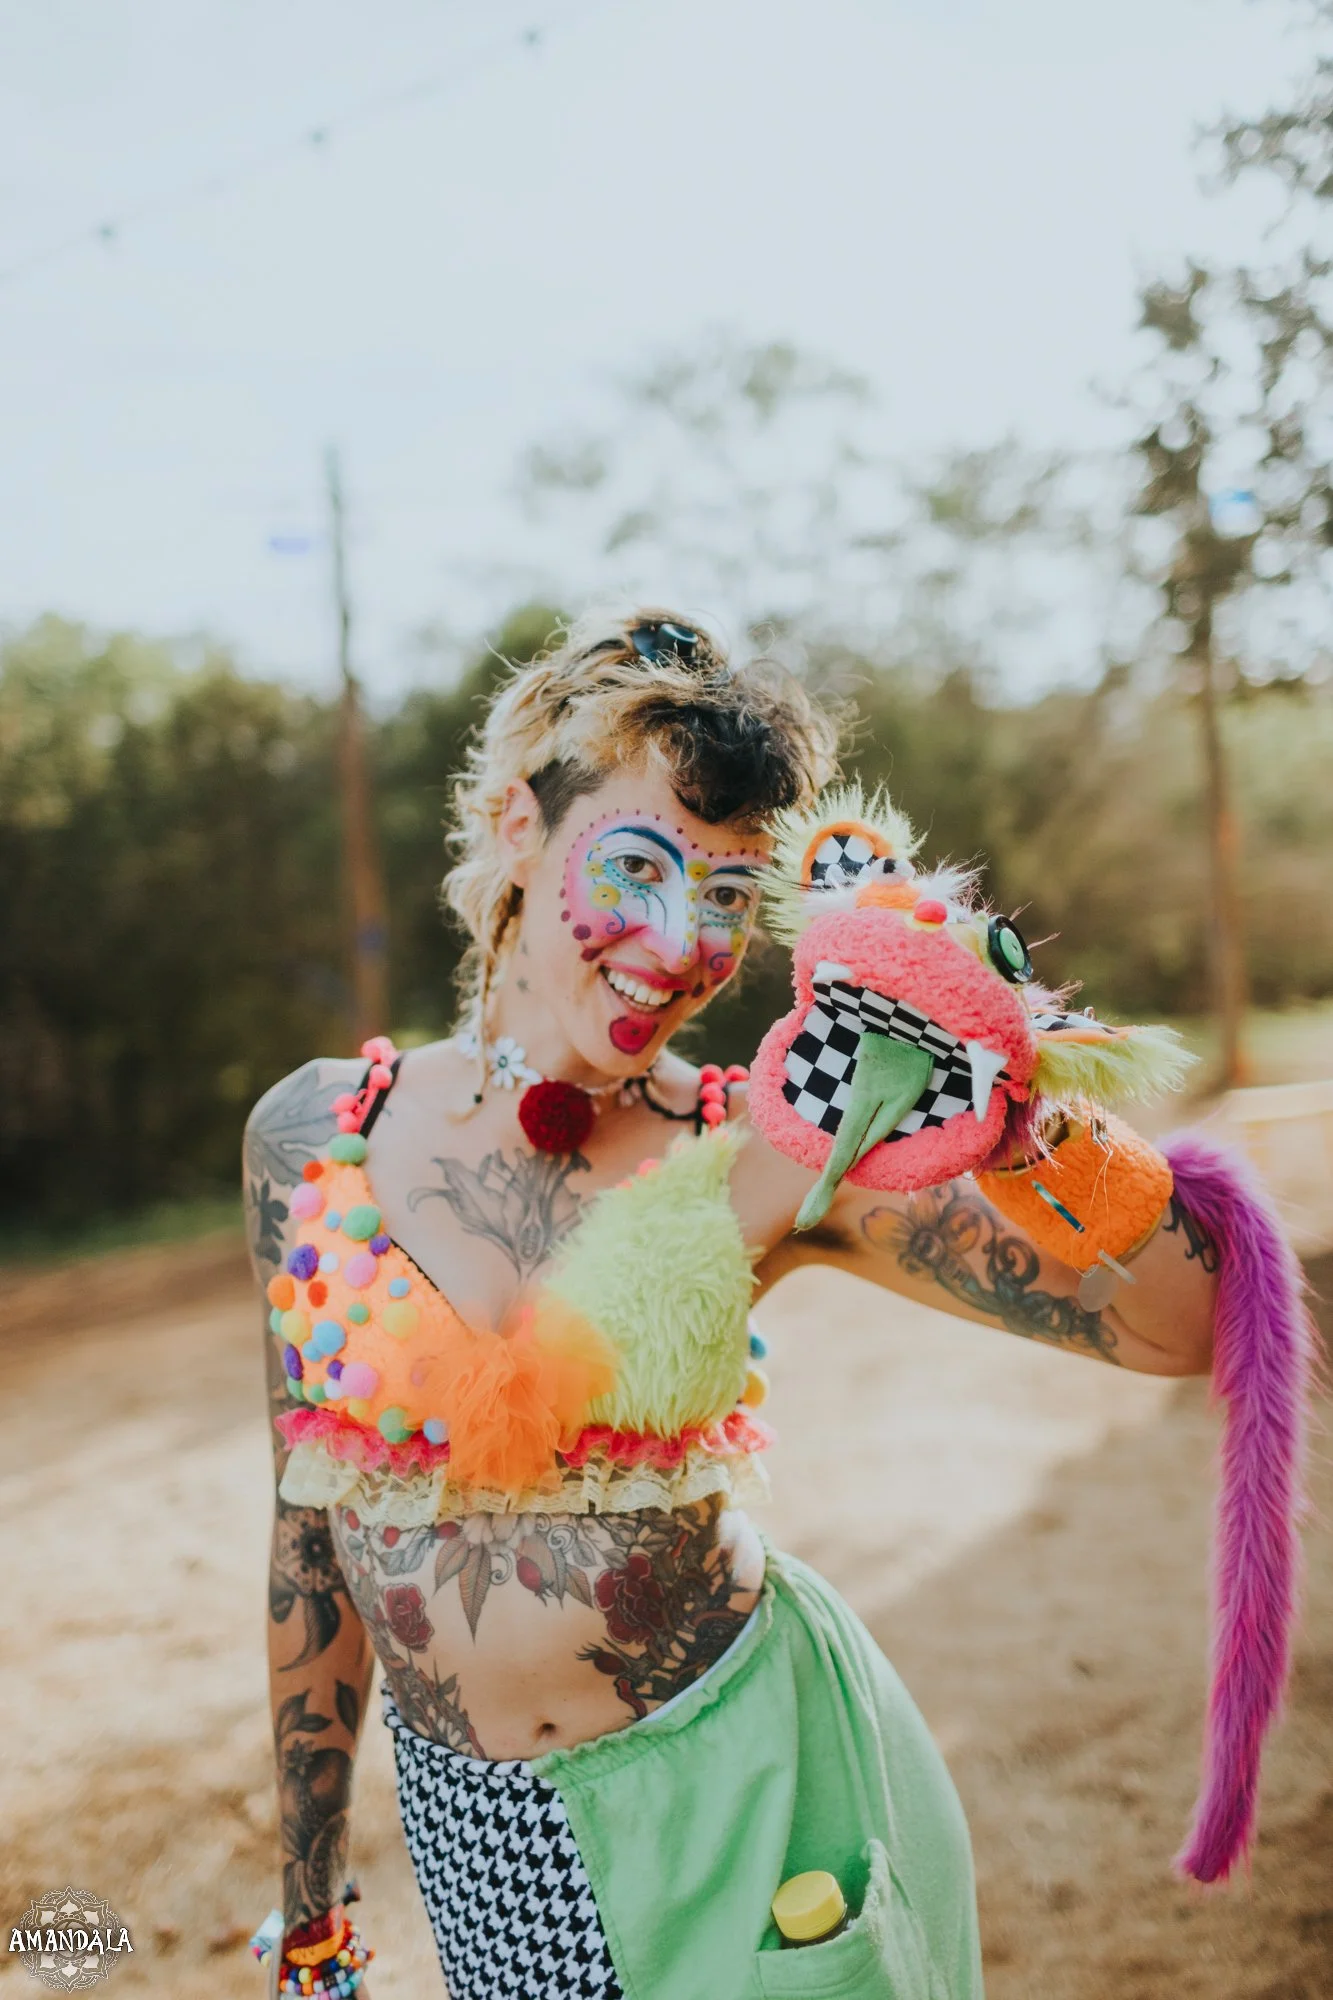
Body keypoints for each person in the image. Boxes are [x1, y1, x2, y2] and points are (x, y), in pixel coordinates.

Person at [244, 611, 1217, 2000]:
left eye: (727, 894)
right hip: (476, 1839)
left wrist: (1017, 1116)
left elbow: (1176, 1322)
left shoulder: (770, 1147)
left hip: (749, 1809)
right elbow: (308, 1529)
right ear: (520, 826)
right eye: (638, 868)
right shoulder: (311, 1137)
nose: (678, 944)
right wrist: (309, 1900)